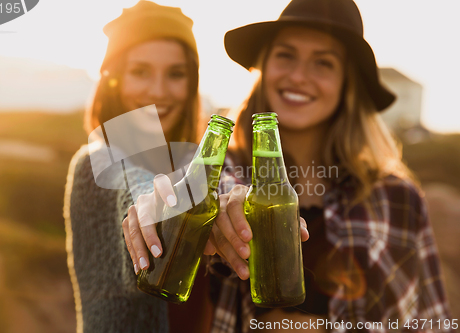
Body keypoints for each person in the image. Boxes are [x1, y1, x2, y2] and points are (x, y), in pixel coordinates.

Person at [124, 0, 452, 332]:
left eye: (323, 63)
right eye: (286, 55)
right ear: (263, 66)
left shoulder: (398, 199)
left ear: (346, 84)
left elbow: (431, 321)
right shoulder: (213, 180)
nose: (298, 76)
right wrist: (155, 216)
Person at [63, 1, 204, 332]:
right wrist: (151, 202)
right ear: (114, 79)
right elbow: (132, 188)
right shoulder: (94, 165)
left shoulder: (197, 164)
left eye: (176, 74)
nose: (157, 91)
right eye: (140, 71)